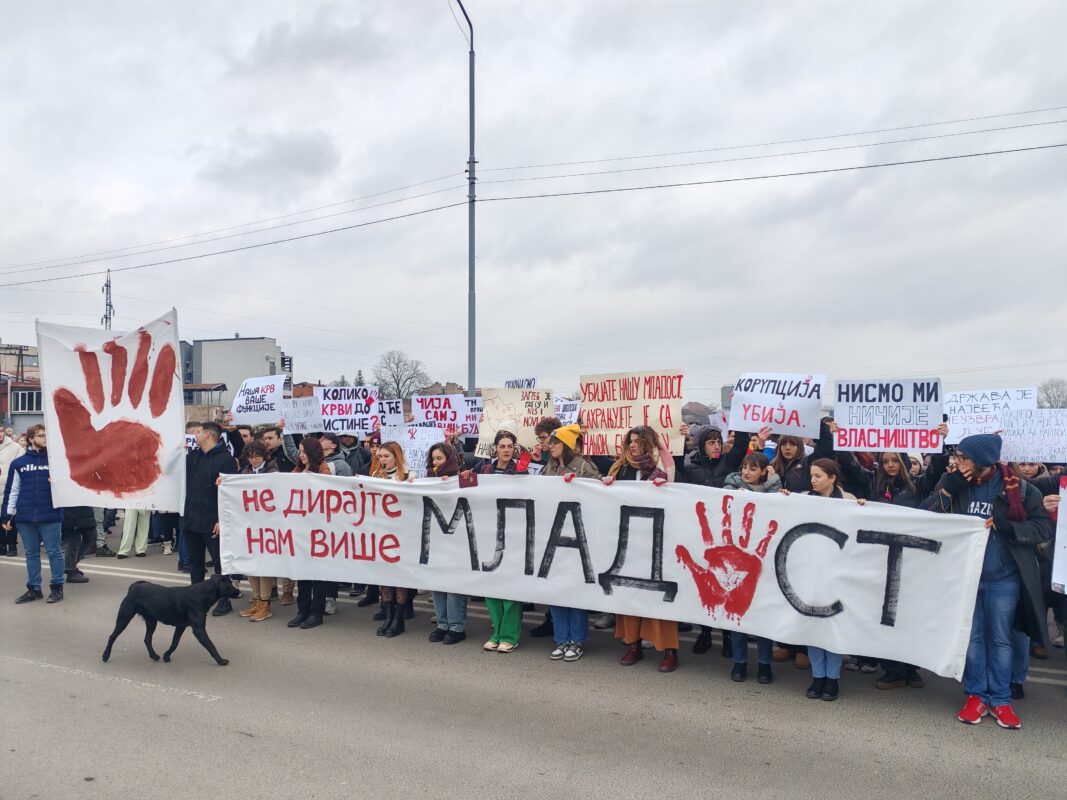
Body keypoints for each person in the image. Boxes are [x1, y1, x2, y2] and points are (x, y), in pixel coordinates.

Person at [922, 434, 1053, 730]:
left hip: (1004, 580)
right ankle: (976, 696)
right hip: (964, 579)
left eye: (964, 457)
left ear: (982, 460)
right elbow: (926, 516)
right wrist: (949, 488)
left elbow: (1043, 527)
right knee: (972, 639)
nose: (958, 462)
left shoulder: (1019, 489)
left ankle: (1001, 699)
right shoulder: (955, 483)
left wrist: (1008, 527)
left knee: (1001, 640)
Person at [605, 426, 679, 673]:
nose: (633, 445)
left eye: (638, 441)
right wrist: (608, 486)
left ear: (648, 443)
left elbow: (675, 491)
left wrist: (665, 487)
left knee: (659, 596)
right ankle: (633, 644)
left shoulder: (662, 467)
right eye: (631, 441)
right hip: (629, 542)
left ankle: (669, 650)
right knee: (630, 592)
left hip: (657, 542)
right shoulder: (621, 468)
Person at [788, 458, 864, 700]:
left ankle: (832, 679)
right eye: (811, 475)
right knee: (814, 627)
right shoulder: (803, 499)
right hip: (810, 572)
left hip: (837, 573)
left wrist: (864, 509)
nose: (813, 480)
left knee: (832, 627)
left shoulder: (849, 501)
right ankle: (817, 676)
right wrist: (782, 499)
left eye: (818, 476)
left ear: (832, 478)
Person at [467, 430, 529, 653]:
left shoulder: (521, 470)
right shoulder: (483, 469)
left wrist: (525, 472)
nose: (506, 450)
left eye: (510, 446)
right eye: (502, 446)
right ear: (495, 449)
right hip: (488, 533)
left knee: (510, 589)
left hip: (513, 535)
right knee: (491, 587)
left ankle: (509, 636)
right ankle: (496, 632)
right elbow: (465, 488)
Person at [722, 451, 780, 684]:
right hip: (737, 558)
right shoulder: (731, 487)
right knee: (737, 613)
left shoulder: (775, 493)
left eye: (753, 469)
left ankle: (765, 663)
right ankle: (740, 662)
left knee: (763, 614)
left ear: (764, 472)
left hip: (763, 560)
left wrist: (780, 495)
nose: (746, 472)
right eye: (745, 467)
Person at [2, 425, 65, 604]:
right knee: (31, 554)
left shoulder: (56, 462)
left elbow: (69, 486)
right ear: (31, 439)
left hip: (50, 515)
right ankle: (34, 589)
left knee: (54, 552)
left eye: (46, 435)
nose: (45, 438)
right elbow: (12, 491)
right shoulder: (18, 463)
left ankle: (57, 587)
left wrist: (58, 483)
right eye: (40, 435)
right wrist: (6, 515)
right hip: (25, 516)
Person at [184, 421, 239, 615]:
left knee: (219, 563)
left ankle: (224, 600)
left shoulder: (225, 459)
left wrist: (222, 519)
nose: (194, 435)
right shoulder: (193, 456)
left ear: (207, 434)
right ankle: (195, 598)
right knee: (195, 562)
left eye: (198, 432)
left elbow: (231, 492)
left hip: (213, 520)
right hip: (191, 517)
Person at [286, 437, 334, 630]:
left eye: (304, 451)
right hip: (300, 530)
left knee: (317, 575)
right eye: (300, 451)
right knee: (302, 573)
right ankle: (302, 610)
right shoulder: (297, 470)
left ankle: (316, 612)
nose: (301, 455)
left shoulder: (324, 470)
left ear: (313, 453)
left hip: (318, 531)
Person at [427, 442, 467, 645]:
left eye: (440, 458)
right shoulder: (427, 480)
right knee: (437, 583)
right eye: (433, 459)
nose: (436, 462)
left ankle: (457, 626)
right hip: (434, 539)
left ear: (449, 459)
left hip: (457, 540)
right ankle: (442, 624)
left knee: (453, 585)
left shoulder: (462, 479)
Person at [371, 441, 413, 637]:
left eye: (386, 456)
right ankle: (388, 616)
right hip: (381, 533)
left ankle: (398, 618)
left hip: (400, 534)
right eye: (380, 456)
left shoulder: (408, 476)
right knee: (384, 578)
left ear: (397, 457)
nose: (382, 460)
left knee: (399, 578)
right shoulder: (376, 475)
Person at [237, 442, 279, 622]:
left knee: (264, 566)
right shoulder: (244, 473)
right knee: (251, 564)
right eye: (250, 457)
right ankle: (256, 601)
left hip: (267, 525)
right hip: (249, 525)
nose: (253, 460)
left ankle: (265, 604)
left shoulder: (273, 472)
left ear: (264, 456)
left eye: (256, 457)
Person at [0, 426, 25, 556]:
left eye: (0, 431)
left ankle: (12, 545)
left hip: (9, 486)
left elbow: (21, 465)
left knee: (10, 516)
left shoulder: (15, 447)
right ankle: (1, 545)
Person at [61, 506, 96, 584]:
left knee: (90, 538)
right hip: (71, 512)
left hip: (85, 510)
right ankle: (70, 569)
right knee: (74, 541)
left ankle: (70, 565)